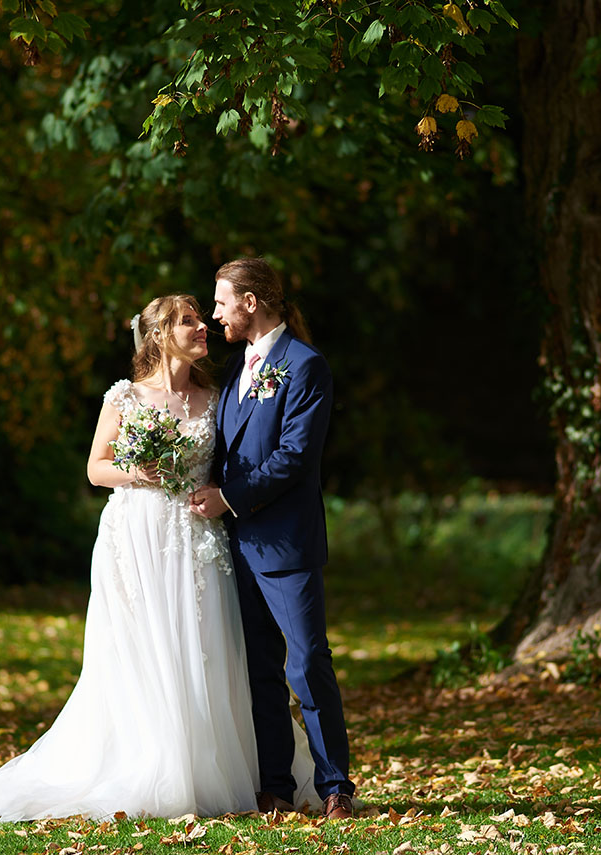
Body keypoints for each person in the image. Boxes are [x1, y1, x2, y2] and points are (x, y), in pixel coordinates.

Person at [0, 294, 313, 822]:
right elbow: (96, 468)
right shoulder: (125, 397)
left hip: (200, 542)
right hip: (137, 537)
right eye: (188, 321)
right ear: (159, 335)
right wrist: (144, 472)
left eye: (203, 318)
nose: (202, 327)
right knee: (145, 652)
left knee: (208, 647)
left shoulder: (217, 396)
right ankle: (157, 767)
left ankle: (228, 768)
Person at [190, 258, 357, 820]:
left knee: (307, 663)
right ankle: (276, 787)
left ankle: (337, 786)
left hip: (286, 544)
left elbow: (294, 458)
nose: (215, 316)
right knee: (260, 669)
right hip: (236, 546)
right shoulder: (239, 369)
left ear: (251, 302)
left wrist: (228, 498)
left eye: (220, 303)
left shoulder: (305, 366)